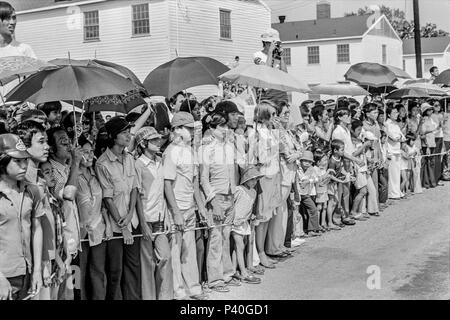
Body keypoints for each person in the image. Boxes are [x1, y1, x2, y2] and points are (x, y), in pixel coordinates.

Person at [95, 116, 142, 300]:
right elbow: (108, 198)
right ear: (114, 136)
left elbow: (134, 188)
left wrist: (131, 214)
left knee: (134, 268)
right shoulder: (102, 163)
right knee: (115, 271)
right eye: (124, 132)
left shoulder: (130, 158)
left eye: (129, 132)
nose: (128, 136)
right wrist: (123, 226)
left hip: (132, 221)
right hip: (116, 227)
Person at [163, 112, 207, 300]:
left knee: (188, 250)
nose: (193, 131)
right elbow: (167, 184)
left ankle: (193, 288)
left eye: (193, 128)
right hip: (177, 209)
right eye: (189, 128)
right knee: (176, 251)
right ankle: (178, 291)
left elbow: (194, 183)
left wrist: (201, 207)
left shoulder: (190, 151)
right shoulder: (171, 152)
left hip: (190, 207)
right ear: (178, 130)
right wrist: (175, 212)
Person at [200, 102, 241, 293]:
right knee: (216, 239)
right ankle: (215, 279)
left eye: (226, 126)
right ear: (212, 128)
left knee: (226, 237)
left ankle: (227, 273)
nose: (225, 130)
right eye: (221, 126)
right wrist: (213, 201)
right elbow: (203, 179)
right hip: (216, 199)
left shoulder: (229, 147)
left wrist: (233, 195)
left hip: (230, 196)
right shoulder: (206, 148)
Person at [0, 134, 43, 300]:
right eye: (17, 161)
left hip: (27, 272)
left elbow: (37, 228)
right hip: (4, 274)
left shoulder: (32, 190)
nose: (24, 166)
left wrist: (37, 270)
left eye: (25, 160)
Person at [134, 126, 173, 300]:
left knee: (165, 257)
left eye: (159, 139)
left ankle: (164, 296)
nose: (159, 142)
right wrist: (143, 223)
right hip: (146, 218)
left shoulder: (160, 161)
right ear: (143, 144)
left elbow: (162, 191)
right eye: (154, 140)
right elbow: (137, 197)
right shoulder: (138, 164)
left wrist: (165, 214)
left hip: (159, 217)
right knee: (147, 263)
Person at [47, 126, 82, 300]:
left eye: (68, 140)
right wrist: (76, 163)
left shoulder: (66, 167)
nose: (68, 145)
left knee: (73, 289)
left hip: (74, 241)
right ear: (51, 149)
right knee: (63, 293)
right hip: (62, 244)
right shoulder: (51, 171)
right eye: (62, 142)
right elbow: (68, 195)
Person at [76, 135, 111, 300]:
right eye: (85, 152)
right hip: (79, 235)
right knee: (79, 275)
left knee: (98, 272)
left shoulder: (96, 172)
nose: (90, 155)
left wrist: (108, 224)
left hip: (98, 230)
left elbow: (103, 202)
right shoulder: (72, 176)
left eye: (91, 152)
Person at [247, 101, 281, 269]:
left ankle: (264, 251)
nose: (275, 117)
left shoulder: (269, 131)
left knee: (269, 215)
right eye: (272, 114)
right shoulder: (256, 132)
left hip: (273, 175)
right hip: (264, 176)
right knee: (261, 217)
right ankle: (259, 253)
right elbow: (260, 158)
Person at [266, 101, 298, 258]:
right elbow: (287, 153)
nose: (287, 115)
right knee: (278, 212)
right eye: (284, 113)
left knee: (283, 211)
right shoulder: (277, 132)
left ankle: (279, 244)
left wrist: (296, 153)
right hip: (282, 175)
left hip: (289, 175)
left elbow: (298, 150)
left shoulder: (287, 131)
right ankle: (273, 246)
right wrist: (296, 153)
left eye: (288, 112)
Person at [230, 167, 263, 284]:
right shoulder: (238, 190)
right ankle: (244, 273)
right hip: (236, 222)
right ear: (245, 179)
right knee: (240, 246)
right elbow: (232, 205)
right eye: (252, 179)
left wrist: (251, 216)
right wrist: (232, 219)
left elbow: (249, 208)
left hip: (244, 222)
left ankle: (233, 270)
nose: (254, 182)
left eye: (256, 180)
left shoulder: (253, 192)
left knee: (237, 247)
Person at [294, 150, 322, 236]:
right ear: (301, 161)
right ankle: (299, 231)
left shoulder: (311, 169)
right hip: (297, 194)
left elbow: (318, 179)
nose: (307, 163)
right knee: (299, 213)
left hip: (306, 194)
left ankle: (312, 229)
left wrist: (308, 181)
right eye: (305, 161)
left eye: (309, 162)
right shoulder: (297, 168)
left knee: (313, 209)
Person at [384, 106, 406, 199]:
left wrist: (399, 137)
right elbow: (393, 137)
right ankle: (393, 193)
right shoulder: (387, 124)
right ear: (389, 114)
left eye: (397, 112)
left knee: (397, 173)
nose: (396, 114)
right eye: (394, 113)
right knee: (392, 174)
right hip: (391, 151)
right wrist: (399, 137)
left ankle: (397, 191)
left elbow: (402, 137)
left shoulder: (396, 124)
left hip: (397, 150)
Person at [420, 103, 437, 189]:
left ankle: (432, 182)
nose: (431, 111)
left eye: (431, 109)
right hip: (426, 145)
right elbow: (423, 133)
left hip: (432, 143)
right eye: (429, 109)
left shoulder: (431, 119)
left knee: (431, 164)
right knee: (427, 164)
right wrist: (426, 146)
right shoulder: (424, 120)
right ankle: (427, 183)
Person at [313, 150, 331, 230]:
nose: (326, 161)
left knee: (325, 206)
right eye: (324, 160)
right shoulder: (315, 169)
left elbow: (325, 180)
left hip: (324, 190)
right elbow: (320, 180)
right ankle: (317, 224)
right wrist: (328, 172)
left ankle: (323, 223)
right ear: (318, 161)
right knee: (319, 207)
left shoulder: (322, 168)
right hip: (319, 191)